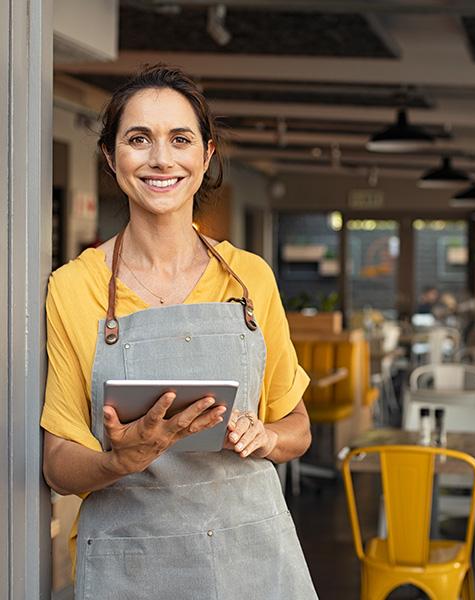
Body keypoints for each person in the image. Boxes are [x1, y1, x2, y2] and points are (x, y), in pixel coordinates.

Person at [41, 65, 318, 599]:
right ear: (110, 156)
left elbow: (297, 426)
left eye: (180, 139)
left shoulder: (249, 278)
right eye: (138, 139)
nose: (161, 159)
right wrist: (120, 458)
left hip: (250, 556)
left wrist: (268, 436)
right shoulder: (75, 288)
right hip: (134, 563)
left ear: (206, 155)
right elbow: (57, 465)